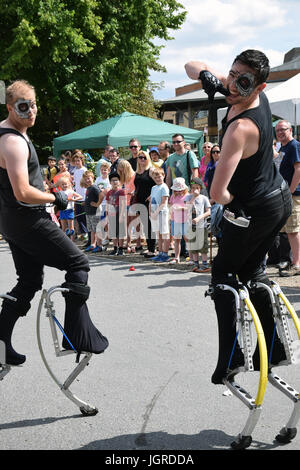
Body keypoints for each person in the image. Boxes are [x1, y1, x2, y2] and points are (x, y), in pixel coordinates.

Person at [185, 49, 292, 384]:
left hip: (258, 209)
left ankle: (231, 357)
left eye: (242, 81)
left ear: (259, 88)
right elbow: (192, 64)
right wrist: (206, 76)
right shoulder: (242, 92)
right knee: (251, 271)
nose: (232, 84)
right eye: (231, 74)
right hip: (277, 199)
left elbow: (217, 193)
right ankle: (273, 348)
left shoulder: (239, 128)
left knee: (222, 275)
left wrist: (233, 201)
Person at [0, 79, 108, 365]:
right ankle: (76, 336)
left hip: (14, 220)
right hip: (28, 219)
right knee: (78, 263)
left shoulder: (11, 134)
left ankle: (0, 344)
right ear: (10, 107)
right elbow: (22, 191)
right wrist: (54, 197)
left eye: (34, 105)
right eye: (24, 106)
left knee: (30, 281)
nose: (31, 111)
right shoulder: (12, 141)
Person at [275, 120, 300, 276]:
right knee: (288, 231)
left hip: (293, 194)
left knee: (293, 230)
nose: (279, 133)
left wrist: (290, 191)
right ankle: (294, 262)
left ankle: (297, 264)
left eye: (282, 130)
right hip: (284, 194)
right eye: (277, 131)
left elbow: (298, 170)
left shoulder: (294, 145)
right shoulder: (283, 147)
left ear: (290, 130)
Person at [133, 150, 157, 258]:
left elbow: (160, 183)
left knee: (150, 225)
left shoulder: (151, 170)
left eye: (144, 157)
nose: (142, 159)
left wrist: (153, 195)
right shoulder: (137, 172)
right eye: (140, 157)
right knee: (145, 225)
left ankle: (153, 249)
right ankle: (149, 248)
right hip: (140, 200)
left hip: (150, 202)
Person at [185, 178, 211, 272]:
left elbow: (208, 212)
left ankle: (205, 264)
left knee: (203, 246)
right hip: (191, 226)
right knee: (193, 246)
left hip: (201, 226)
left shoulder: (204, 198)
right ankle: (195, 263)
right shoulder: (188, 197)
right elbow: (187, 208)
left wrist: (199, 218)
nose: (195, 190)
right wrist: (193, 198)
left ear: (201, 189)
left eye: (197, 188)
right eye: (193, 188)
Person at [149, 167, 170, 262]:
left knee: (164, 234)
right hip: (154, 214)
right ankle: (160, 252)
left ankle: (165, 254)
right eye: (155, 177)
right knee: (158, 234)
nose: (157, 179)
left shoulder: (164, 187)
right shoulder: (153, 187)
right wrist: (150, 212)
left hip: (162, 213)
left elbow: (163, 202)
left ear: (163, 176)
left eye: (159, 177)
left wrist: (156, 213)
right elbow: (151, 200)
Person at [117, 159, 138, 253]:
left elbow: (137, 188)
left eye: (122, 170)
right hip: (125, 202)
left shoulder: (134, 176)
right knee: (127, 223)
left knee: (135, 223)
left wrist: (131, 192)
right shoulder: (122, 178)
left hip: (133, 201)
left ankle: (138, 243)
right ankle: (128, 242)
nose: (121, 172)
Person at [80, 170, 103, 253]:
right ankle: (93, 244)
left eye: (89, 178)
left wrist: (97, 204)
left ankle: (100, 245)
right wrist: (85, 202)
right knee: (92, 230)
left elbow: (101, 195)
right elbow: (89, 198)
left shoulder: (94, 187)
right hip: (89, 212)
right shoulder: (88, 188)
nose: (87, 180)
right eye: (85, 179)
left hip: (95, 212)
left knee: (97, 229)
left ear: (92, 178)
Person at [169, 177, 189, 264]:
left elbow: (190, 207)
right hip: (175, 220)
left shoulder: (188, 196)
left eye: (180, 190)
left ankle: (192, 257)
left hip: (185, 220)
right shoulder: (173, 196)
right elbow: (170, 206)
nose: (179, 191)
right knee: (177, 239)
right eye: (177, 190)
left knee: (187, 239)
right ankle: (177, 257)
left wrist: (182, 208)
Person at [105, 172, 126, 255]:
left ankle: (121, 248)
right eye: (113, 180)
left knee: (120, 232)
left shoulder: (121, 192)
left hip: (119, 213)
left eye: (116, 180)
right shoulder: (109, 192)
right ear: (110, 182)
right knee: (113, 232)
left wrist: (121, 215)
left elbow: (123, 204)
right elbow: (107, 204)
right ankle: (115, 248)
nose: (115, 182)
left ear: (119, 182)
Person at [72, 151, 88, 241]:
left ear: (82, 160)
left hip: (84, 196)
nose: (77, 162)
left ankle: (86, 233)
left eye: (78, 160)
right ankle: (82, 232)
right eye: (75, 161)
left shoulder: (84, 170)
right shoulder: (75, 171)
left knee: (84, 215)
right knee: (78, 216)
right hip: (77, 196)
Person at [95, 160, 111, 246]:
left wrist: (102, 191)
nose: (103, 171)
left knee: (106, 221)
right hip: (99, 203)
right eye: (102, 169)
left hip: (106, 203)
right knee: (100, 221)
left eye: (105, 169)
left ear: (108, 170)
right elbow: (95, 188)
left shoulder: (109, 180)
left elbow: (108, 191)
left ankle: (107, 237)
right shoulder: (98, 179)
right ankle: (101, 238)